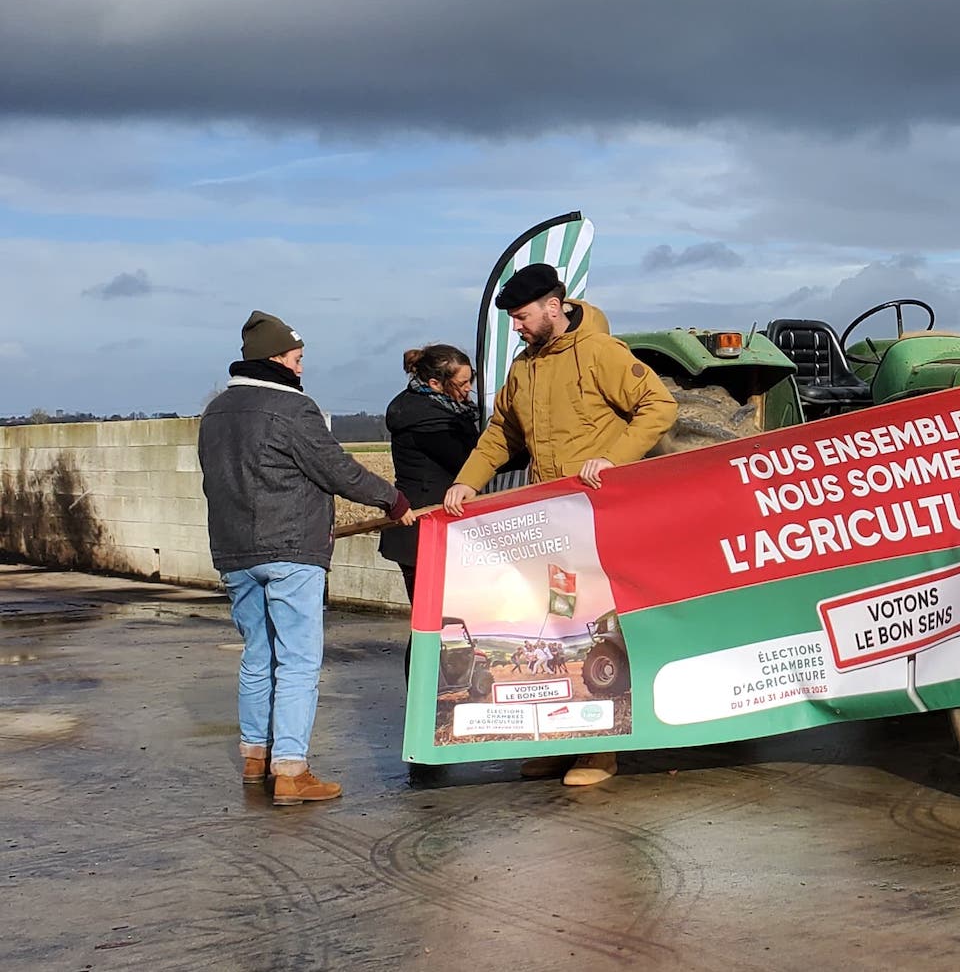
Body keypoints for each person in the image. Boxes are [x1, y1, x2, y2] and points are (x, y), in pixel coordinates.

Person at [443, 263, 678, 787]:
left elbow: (658, 407)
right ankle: (559, 740)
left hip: (603, 524)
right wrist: (467, 482)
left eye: (522, 317)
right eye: (512, 319)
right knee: (561, 627)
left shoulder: (601, 354)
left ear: (554, 306)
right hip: (552, 528)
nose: (518, 328)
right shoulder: (524, 370)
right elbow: (501, 433)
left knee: (603, 629)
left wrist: (614, 459)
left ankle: (602, 750)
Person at [199, 310, 417, 805]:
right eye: (296, 358)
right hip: (291, 549)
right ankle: (292, 770)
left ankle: (255, 756)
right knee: (298, 661)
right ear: (275, 358)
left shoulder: (215, 412)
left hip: (234, 552)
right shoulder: (292, 409)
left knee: (258, 656)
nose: (300, 368)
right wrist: (393, 499)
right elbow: (337, 468)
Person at [383, 344, 481, 604]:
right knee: (433, 621)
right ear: (436, 383)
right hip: (424, 528)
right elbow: (471, 459)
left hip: (428, 529)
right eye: (462, 383)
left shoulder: (442, 409)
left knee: (437, 623)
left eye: (471, 380)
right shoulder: (428, 420)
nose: (469, 388)